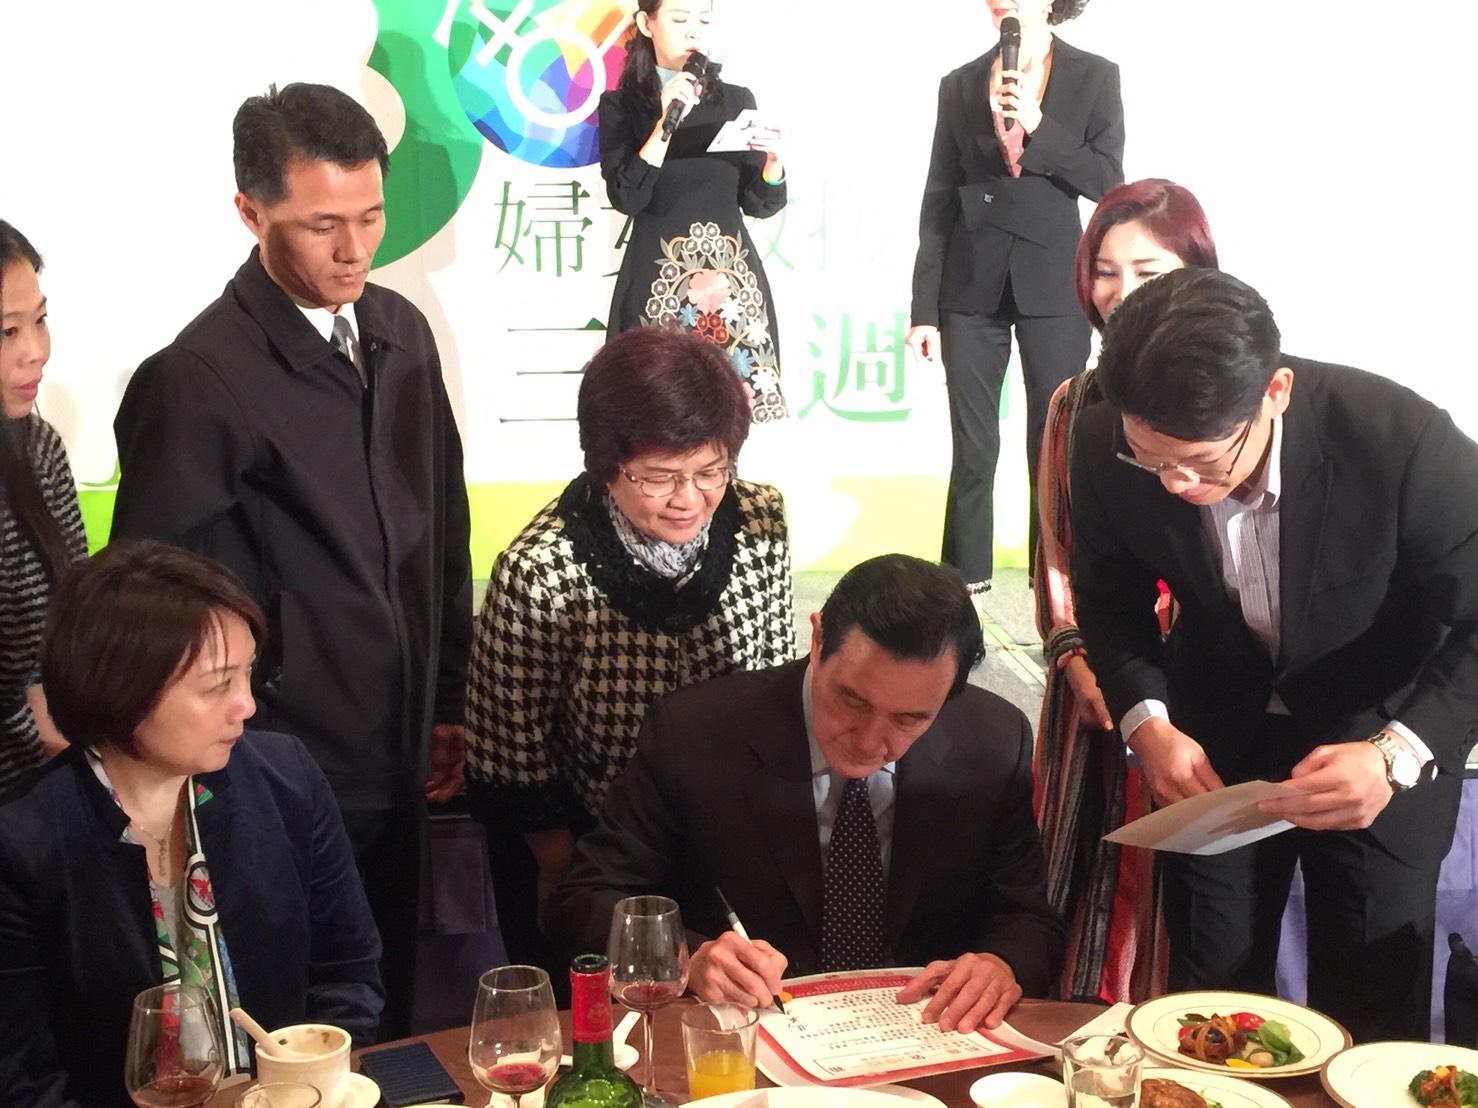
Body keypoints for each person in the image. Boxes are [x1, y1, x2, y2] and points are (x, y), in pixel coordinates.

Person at [109, 82, 472, 1040]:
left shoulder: (401, 333)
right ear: (250, 212)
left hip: (401, 758)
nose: (355, 250)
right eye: (322, 225)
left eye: (371, 217)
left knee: (391, 1024)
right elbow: (151, 612)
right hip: (265, 779)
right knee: (293, 1035)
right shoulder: (196, 380)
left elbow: (444, 529)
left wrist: (449, 701)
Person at [1069, 267, 1478, 1043]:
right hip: (1217, 742)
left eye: (1204, 462)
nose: (1177, 485)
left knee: (1370, 1003)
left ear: (1275, 392)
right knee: (1210, 1001)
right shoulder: (1103, 441)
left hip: (1377, 734)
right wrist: (1148, 724)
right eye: (1152, 459)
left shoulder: (1400, 440)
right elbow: (1109, 601)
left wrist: (1396, 753)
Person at [546, 554, 1063, 1033]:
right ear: (816, 640)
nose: (869, 741)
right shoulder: (695, 733)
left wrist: (1001, 965)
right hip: (749, 1037)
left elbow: (1027, 919)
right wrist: (688, 958)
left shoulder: (993, 739)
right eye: (851, 700)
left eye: (909, 719)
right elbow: (586, 901)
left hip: (924, 1034)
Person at [0, 539, 383, 1107]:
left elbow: (348, 970)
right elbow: (23, 1079)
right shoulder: (22, 844)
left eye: (248, 675)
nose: (246, 705)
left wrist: (318, 1086)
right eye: (217, 685)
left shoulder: (286, 779)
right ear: (121, 690)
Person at [464, 326, 792, 977]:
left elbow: (775, 678)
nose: (689, 499)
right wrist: (567, 876)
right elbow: (511, 752)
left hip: (728, 838)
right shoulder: (541, 569)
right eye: (660, 478)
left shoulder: (762, 520)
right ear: (607, 463)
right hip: (591, 849)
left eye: (710, 471)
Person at [1031, 180, 1217, 1002]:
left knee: (1189, 887)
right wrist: (1079, 660)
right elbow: (1056, 547)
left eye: (1148, 271)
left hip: (1198, 680)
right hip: (1092, 678)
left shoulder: (1232, 393)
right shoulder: (1074, 403)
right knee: (1073, 867)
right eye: (1105, 271)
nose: (1121, 291)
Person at [906, 0, 1123, 593]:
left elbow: (1108, 181)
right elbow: (939, 197)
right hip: (969, 284)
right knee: (973, 448)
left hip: (1054, 280)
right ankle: (963, 589)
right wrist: (924, 308)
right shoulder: (960, 83)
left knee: (1051, 444)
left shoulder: (1094, 75)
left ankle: (1053, 586)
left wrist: (1039, 123)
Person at [599, 0, 788, 422]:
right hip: (658, 285)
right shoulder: (621, 106)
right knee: (656, 421)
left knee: (729, 423)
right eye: (680, 19)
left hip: (731, 288)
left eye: (703, 20)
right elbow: (628, 197)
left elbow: (761, 202)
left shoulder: (737, 100)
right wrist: (664, 121)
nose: (693, 30)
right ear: (646, 23)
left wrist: (774, 164)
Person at [0, 222, 88, 792]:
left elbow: (73, 625)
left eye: (40, 320)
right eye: (7, 331)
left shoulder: (37, 449)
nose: (35, 351)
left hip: (38, 789)